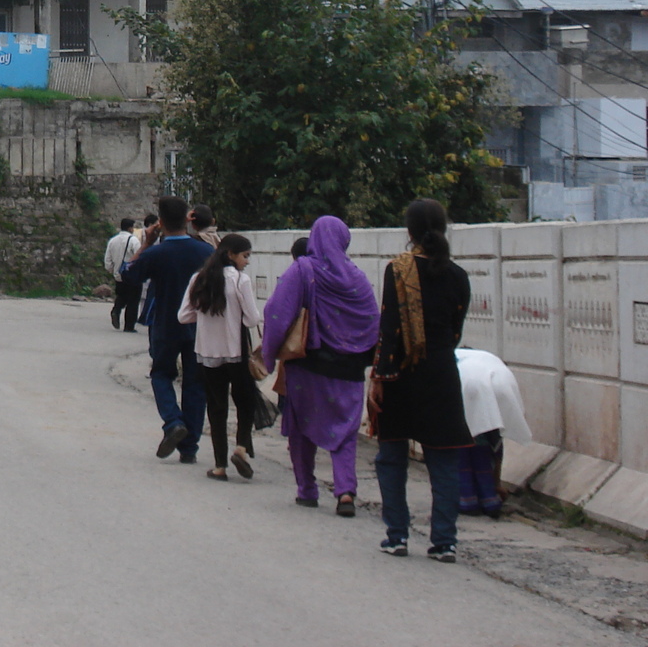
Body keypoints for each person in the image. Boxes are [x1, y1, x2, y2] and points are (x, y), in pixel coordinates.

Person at [371, 198, 474, 562]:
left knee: (392, 455)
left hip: (399, 373)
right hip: (442, 372)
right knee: (443, 461)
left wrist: (380, 376)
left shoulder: (397, 270)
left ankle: (397, 535)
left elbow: (388, 329)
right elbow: (456, 330)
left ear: (410, 231)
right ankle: (444, 542)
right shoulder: (458, 276)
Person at [261, 215, 378, 517]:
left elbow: (278, 312)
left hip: (308, 365)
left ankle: (307, 489)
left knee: (301, 427)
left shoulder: (304, 270)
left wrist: (269, 355)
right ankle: (346, 492)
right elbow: (372, 320)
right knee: (346, 432)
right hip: (349, 371)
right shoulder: (358, 278)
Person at [122, 195, 213, 463]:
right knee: (196, 384)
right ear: (188, 218)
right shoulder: (206, 253)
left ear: (160, 222)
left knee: (161, 374)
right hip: (198, 326)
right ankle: (190, 447)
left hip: (165, 323)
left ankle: (173, 421)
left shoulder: (156, 253)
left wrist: (146, 244)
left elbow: (128, 275)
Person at [178, 233, 262, 481]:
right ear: (231, 255)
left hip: (207, 353)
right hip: (236, 351)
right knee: (245, 401)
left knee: (216, 408)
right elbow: (252, 319)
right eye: (245, 256)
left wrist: (205, 319)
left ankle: (219, 466)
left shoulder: (199, 278)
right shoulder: (240, 281)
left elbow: (183, 316)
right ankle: (241, 448)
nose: (246, 262)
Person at [455, 347, 531, 518]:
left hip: (466, 385)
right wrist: (497, 482)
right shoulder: (487, 358)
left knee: (461, 444)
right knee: (490, 441)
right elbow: (497, 446)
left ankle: (467, 499)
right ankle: (490, 498)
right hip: (501, 382)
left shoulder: (455, 357)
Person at [105, 218, 142, 332]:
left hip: (118, 274)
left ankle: (116, 310)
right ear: (131, 228)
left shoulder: (112, 240)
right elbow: (139, 256)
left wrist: (113, 270)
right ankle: (129, 325)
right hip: (132, 275)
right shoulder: (133, 240)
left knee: (122, 295)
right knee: (133, 300)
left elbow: (108, 259)